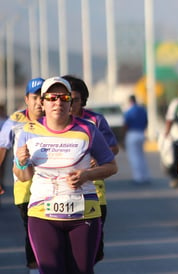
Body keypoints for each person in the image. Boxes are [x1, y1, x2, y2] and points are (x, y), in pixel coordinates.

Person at [13, 76, 117, 274]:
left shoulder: (88, 129)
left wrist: (87, 175)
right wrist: (21, 161)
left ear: (71, 102)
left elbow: (111, 166)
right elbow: (23, 176)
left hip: (84, 213)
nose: (57, 102)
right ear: (42, 102)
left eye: (63, 98)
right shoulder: (28, 131)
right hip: (42, 213)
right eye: (52, 98)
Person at [62, 74, 119, 263]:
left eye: (75, 99)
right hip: (57, 195)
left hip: (94, 194)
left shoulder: (96, 120)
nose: (70, 104)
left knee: (92, 253)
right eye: (66, 98)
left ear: (83, 100)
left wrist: (96, 157)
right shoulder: (51, 122)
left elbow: (113, 148)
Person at [0, 77, 45, 273]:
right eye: (35, 97)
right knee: (33, 231)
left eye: (43, 97)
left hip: (54, 186)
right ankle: (34, 268)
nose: (39, 102)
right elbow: (2, 147)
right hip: (25, 187)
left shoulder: (56, 119)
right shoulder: (15, 121)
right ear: (27, 99)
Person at [123, 94, 150, 184]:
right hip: (141, 133)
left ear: (130, 101)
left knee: (134, 156)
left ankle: (138, 177)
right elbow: (146, 122)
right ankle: (145, 175)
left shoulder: (129, 111)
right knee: (141, 156)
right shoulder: (142, 110)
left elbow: (126, 124)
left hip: (132, 133)